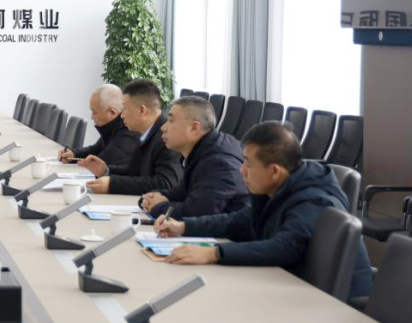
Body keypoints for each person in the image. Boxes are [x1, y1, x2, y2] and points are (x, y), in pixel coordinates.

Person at [154, 121, 372, 300]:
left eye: (248, 164)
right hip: (289, 286)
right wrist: (183, 227)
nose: (241, 171)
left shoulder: (314, 201)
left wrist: (214, 253)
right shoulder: (279, 187)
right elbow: (239, 221)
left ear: (275, 171)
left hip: (330, 306)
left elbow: (284, 248)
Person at [141, 96, 250, 220]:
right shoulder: (203, 150)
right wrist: (150, 197)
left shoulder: (219, 163)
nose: (163, 127)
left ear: (194, 128)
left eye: (171, 121)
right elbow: (181, 194)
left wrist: (157, 207)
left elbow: (197, 213)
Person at [79, 79, 183, 195]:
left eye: (125, 109)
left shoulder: (167, 136)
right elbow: (133, 171)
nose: (122, 115)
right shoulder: (147, 133)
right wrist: (105, 170)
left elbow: (165, 183)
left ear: (142, 110)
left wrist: (113, 184)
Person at [58, 84, 138, 167]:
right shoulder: (114, 127)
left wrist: (75, 158)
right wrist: (73, 154)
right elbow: (95, 149)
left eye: (94, 112)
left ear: (112, 113)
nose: (92, 117)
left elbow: (98, 164)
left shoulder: (126, 134)